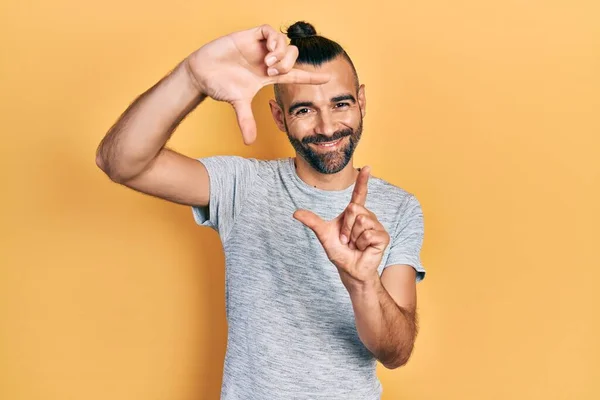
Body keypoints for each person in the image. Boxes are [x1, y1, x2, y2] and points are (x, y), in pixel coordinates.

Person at [96, 20, 426, 400]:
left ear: (361, 101)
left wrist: (363, 283)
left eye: (341, 103)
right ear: (278, 116)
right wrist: (190, 78)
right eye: (304, 109)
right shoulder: (243, 186)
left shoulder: (399, 207)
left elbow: (395, 353)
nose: (327, 126)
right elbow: (119, 162)